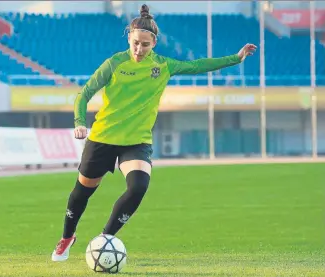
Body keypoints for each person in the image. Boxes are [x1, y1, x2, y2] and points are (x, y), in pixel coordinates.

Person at [52, 4, 257, 262]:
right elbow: (84, 94)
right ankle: (67, 237)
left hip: (136, 141)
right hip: (103, 137)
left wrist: (235, 59)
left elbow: (197, 66)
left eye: (145, 45)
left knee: (138, 186)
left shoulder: (163, 66)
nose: (139, 50)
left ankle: (105, 239)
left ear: (154, 43)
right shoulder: (114, 63)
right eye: (135, 43)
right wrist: (80, 122)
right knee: (82, 193)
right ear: (129, 37)